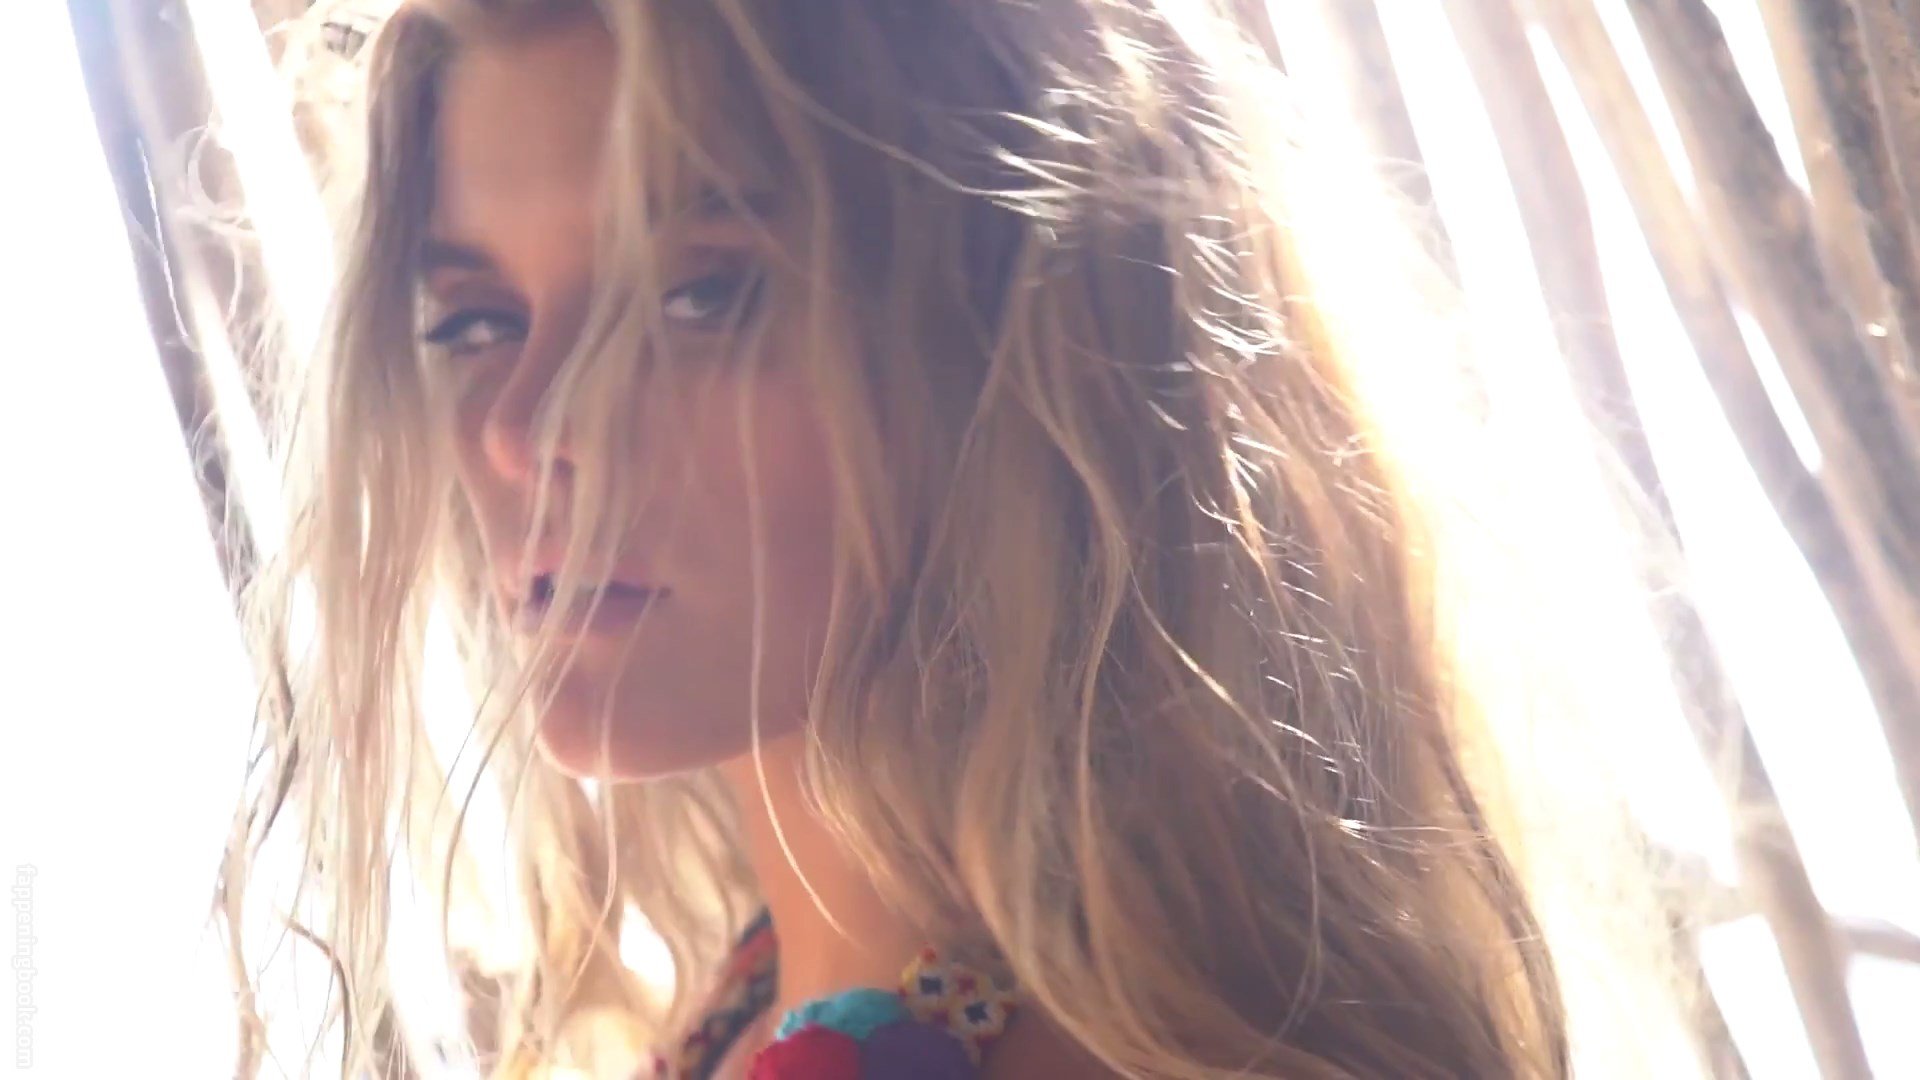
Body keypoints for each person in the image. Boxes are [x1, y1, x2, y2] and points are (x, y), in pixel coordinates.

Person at [223, 1, 1684, 1077]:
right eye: (474, 321)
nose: (522, 426)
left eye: (700, 295)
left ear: (1017, 334)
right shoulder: (760, 1003)